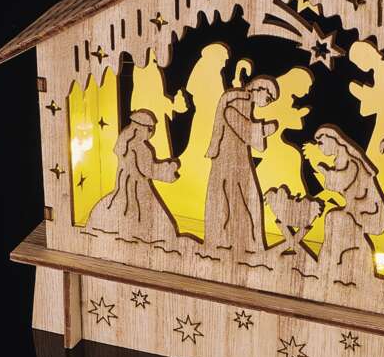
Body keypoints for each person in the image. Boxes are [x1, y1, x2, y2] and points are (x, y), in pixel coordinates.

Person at [204, 76, 280, 255]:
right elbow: (240, 125)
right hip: (228, 159)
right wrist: (263, 130)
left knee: (245, 199)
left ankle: (245, 243)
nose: (268, 102)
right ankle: (228, 242)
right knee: (232, 199)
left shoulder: (245, 103)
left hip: (238, 158)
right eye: (269, 97)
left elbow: (245, 128)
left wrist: (257, 131)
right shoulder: (237, 101)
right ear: (259, 89)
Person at [85, 109, 181, 247]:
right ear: (141, 129)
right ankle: (141, 235)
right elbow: (149, 170)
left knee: (122, 204)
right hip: (138, 186)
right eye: (150, 129)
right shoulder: (141, 148)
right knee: (140, 208)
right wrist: (169, 168)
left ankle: (120, 230)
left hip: (124, 184)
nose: (151, 133)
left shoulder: (124, 144)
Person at [313, 126, 384, 282]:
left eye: (321, 142)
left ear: (333, 140)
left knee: (335, 218)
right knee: (334, 218)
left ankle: (334, 263)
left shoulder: (351, 161)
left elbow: (342, 180)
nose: (319, 146)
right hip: (355, 210)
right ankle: (329, 263)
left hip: (370, 212)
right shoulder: (341, 160)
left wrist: (327, 173)